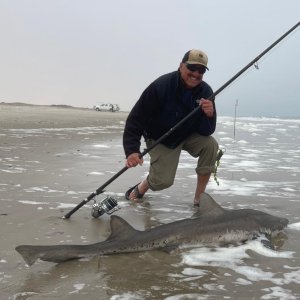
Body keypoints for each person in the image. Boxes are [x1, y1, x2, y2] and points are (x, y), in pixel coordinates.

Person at [123, 49, 218, 206]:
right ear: (181, 66)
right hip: (161, 138)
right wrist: (132, 150)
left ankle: (199, 199)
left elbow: (207, 131)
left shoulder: (206, 91)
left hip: (186, 135)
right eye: (192, 68)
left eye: (201, 70)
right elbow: (136, 119)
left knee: (211, 145)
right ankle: (143, 186)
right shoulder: (160, 86)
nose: (196, 73)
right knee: (162, 182)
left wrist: (209, 115)